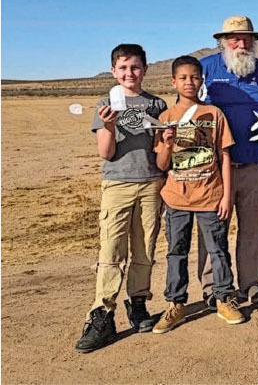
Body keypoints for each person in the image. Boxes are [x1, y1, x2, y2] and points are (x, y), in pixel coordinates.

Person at [75, 44, 167, 353]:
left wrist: (166, 138)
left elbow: (160, 150)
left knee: (145, 248)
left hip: (152, 183)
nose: (130, 73)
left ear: (145, 69)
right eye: (123, 68)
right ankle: (102, 314)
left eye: (136, 67)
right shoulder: (106, 104)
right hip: (117, 184)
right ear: (114, 71)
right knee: (111, 249)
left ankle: (138, 302)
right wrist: (110, 125)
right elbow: (106, 153)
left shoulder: (156, 104)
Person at [197, 16, 258, 306]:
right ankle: (214, 288)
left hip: (253, 164)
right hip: (215, 169)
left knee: (253, 229)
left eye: (247, 38)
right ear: (222, 41)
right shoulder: (206, 69)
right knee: (214, 230)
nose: (241, 44)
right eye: (235, 38)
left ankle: (251, 284)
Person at [151, 56, 244, 333]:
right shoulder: (166, 118)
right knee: (176, 252)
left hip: (210, 197)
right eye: (183, 78)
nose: (189, 82)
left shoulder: (214, 114)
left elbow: (224, 156)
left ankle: (223, 297)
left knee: (218, 249)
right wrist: (167, 144)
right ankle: (176, 304)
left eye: (194, 77)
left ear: (201, 80)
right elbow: (161, 164)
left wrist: (226, 196)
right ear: (173, 82)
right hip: (176, 198)